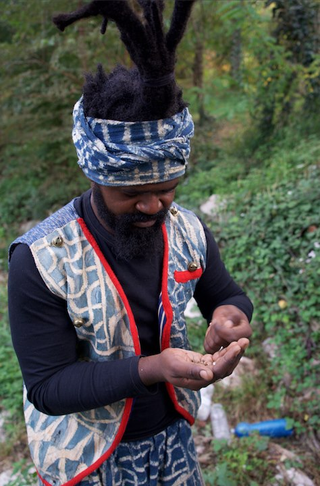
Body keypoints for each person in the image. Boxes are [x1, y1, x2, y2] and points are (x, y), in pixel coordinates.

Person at [8, 1, 253, 485]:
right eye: (132, 194)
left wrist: (232, 316)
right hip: (89, 457)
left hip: (173, 440)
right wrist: (153, 368)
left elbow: (223, 294)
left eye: (167, 189)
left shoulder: (188, 230)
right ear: (97, 177)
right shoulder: (41, 259)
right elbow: (48, 386)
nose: (154, 207)